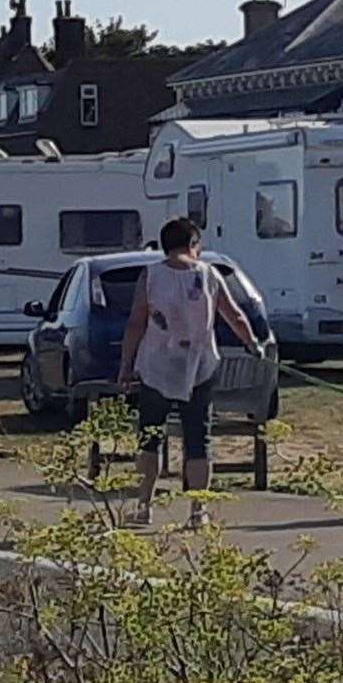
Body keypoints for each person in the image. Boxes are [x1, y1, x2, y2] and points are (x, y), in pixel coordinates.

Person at [118, 217, 260, 527]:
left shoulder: (151, 275)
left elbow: (136, 322)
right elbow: (234, 314)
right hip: (199, 365)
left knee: (150, 435)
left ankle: (144, 505)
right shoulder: (208, 274)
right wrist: (252, 343)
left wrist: (126, 365)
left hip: (157, 364)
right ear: (194, 244)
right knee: (199, 437)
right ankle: (199, 511)